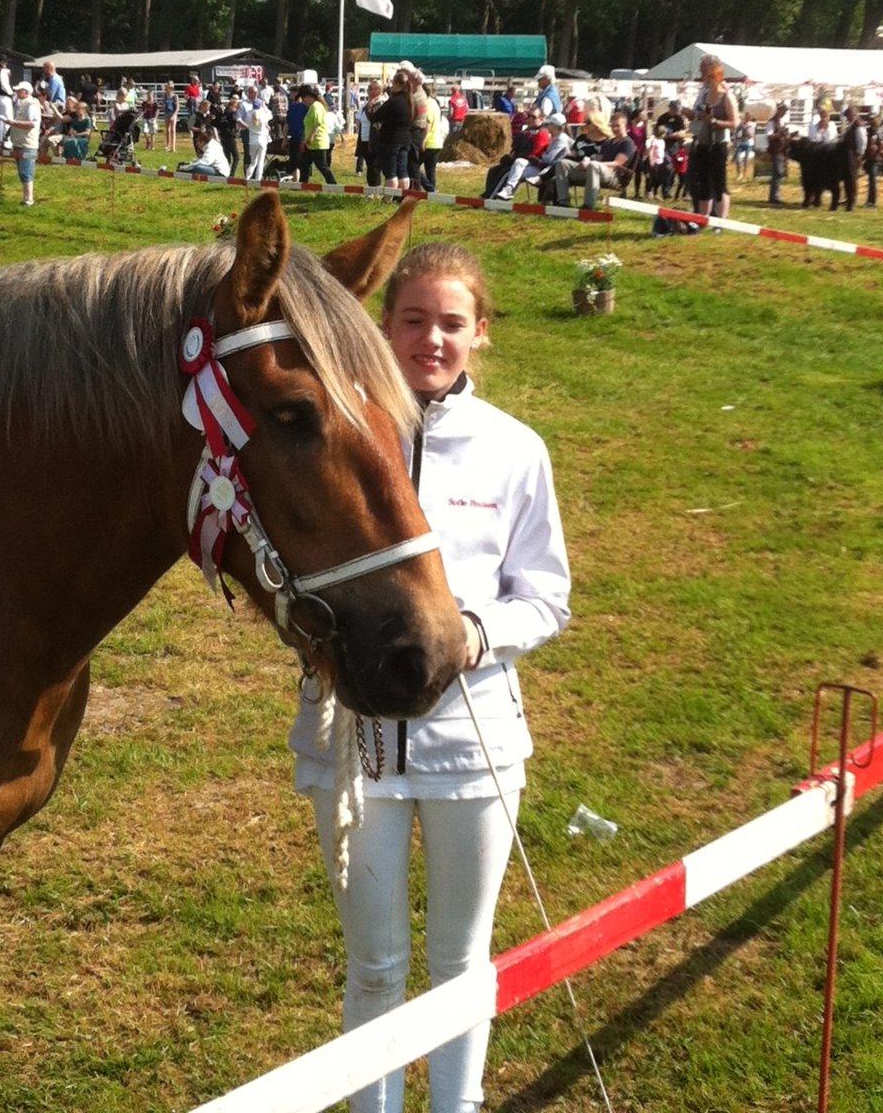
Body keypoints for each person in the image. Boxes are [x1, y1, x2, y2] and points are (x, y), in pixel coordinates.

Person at [289, 242, 570, 1113]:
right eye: (413, 319)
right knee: (373, 965)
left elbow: (548, 597)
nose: (431, 339)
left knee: (459, 962)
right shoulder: (343, 432)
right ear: (384, 325)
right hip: (357, 746)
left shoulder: (516, 451)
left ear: (480, 334)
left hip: (474, 746)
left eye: (452, 323)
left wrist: (476, 637)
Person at [681, 54, 738, 218]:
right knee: (703, 182)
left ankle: (721, 221)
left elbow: (735, 123)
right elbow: (700, 116)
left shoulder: (727, 96)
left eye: (706, 73)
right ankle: (702, 220)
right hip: (702, 143)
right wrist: (690, 114)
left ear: (716, 74)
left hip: (719, 145)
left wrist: (714, 121)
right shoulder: (704, 95)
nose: (703, 77)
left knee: (719, 184)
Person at [553, 110, 636, 209]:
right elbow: (598, 159)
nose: (615, 128)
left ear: (625, 126)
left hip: (614, 175)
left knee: (594, 165)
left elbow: (617, 163)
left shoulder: (627, 143)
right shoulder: (609, 142)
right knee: (562, 164)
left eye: (618, 126)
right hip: (597, 171)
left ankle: (588, 205)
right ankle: (563, 202)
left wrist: (592, 163)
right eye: (613, 125)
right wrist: (585, 161)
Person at [492, 111, 571, 200]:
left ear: (555, 126)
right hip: (543, 167)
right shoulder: (553, 137)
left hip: (551, 171)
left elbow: (548, 159)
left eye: (548, 124)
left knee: (515, 172)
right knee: (518, 163)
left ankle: (504, 193)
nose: (546, 126)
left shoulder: (562, 139)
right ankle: (508, 190)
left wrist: (542, 154)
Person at [1, 79, 41, 206]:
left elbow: (31, 124)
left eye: (19, 90)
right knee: (22, 172)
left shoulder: (32, 105)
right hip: (18, 144)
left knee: (27, 172)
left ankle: (29, 199)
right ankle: (25, 198)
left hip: (28, 145)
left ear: (26, 92)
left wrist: (11, 122)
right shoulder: (20, 104)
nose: (16, 92)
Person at [373, 71, 413, 189]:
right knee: (403, 171)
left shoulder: (393, 102)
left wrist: (371, 108)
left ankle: (389, 198)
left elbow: (375, 117)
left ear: (396, 83)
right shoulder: (409, 101)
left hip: (391, 140)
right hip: (406, 139)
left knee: (391, 173)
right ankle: (403, 197)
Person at [298, 84, 337, 184]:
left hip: (317, 142)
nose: (303, 101)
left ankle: (333, 185)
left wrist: (311, 137)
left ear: (308, 96)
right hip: (310, 143)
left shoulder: (316, 106)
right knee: (304, 164)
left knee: (322, 166)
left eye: (303, 98)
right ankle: (303, 185)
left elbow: (317, 123)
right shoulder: (313, 107)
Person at [765, 101, 790, 206]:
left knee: (779, 173)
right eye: (782, 111)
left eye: (784, 111)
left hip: (782, 150)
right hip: (775, 150)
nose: (783, 113)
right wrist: (780, 134)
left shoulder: (782, 122)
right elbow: (769, 136)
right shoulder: (771, 122)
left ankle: (775, 195)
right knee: (777, 173)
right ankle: (774, 196)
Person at [421, 83, 444, 192]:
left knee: (413, 166)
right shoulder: (434, 102)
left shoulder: (426, 104)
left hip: (429, 141)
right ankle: (432, 191)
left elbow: (428, 123)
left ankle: (430, 189)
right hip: (437, 141)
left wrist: (423, 140)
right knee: (430, 170)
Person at [245, 94, 272, 181]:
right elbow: (270, 115)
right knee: (260, 162)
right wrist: (265, 107)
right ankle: (258, 179)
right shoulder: (263, 114)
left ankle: (247, 178)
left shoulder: (249, 114)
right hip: (262, 140)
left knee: (253, 162)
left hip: (252, 141)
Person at [287, 87, 309, 176]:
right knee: (293, 159)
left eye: (293, 92)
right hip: (293, 136)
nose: (291, 94)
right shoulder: (291, 106)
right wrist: (285, 138)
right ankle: (295, 180)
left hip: (301, 136)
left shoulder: (304, 107)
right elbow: (288, 123)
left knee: (298, 160)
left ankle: (298, 180)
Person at [217, 95, 241, 176]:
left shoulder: (223, 112)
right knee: (236, 157)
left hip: (223, 136)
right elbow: (236, 121)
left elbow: (219, 123)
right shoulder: (232, 113)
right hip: (230, 135)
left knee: (227, 157)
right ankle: (231, 174)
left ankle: (225, 173)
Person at [863, 116, 882, 208]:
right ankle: (871, 201)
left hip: (873, 159)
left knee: (872, 181)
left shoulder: (873, 134)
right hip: (872, 159)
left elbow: (875, 147)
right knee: (872, 181)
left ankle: (872, 201)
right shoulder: (873, 133)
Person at [733, 111, 756, 181]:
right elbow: (736, 132)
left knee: (746, 159)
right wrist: (736, 140)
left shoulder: (752, 124)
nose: (747, 118)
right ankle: (739, 174)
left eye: (748, 117)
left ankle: (744, 174)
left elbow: (753, 134)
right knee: (737, 159)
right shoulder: (741, 124)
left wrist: (751, 137)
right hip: (740, 143)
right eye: (746, 116)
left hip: (748, 143)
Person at [162, 82, 179, 152]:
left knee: (173, 130)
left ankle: (173, 147)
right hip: (167, 113)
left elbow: (178, 107)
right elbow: (164, 104)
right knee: (168, 130)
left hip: (173, 113)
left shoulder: (175, 96)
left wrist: (174, 115)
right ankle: (168, 145)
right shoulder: (165, 95)